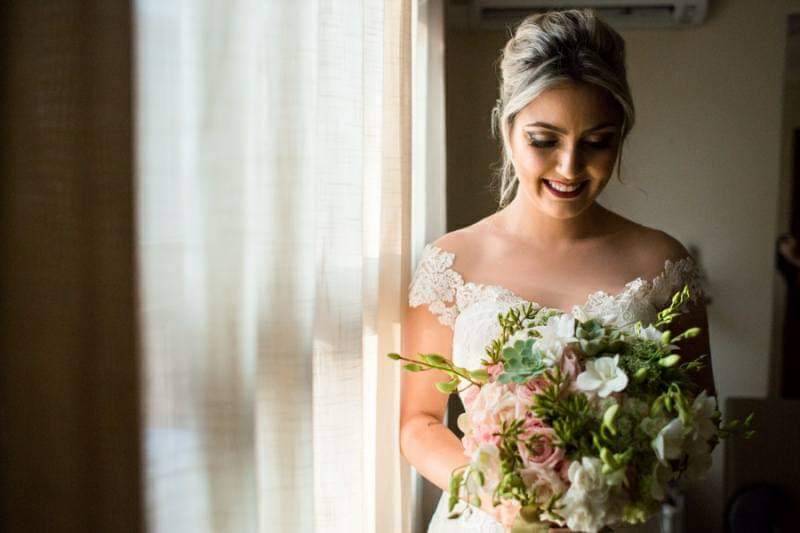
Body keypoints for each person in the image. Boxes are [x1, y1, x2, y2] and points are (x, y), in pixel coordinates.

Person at [399, 9, 716, 533]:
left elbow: (698, 423)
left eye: (597, 142)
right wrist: (502, 495)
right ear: (508, 129)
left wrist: (612, 475)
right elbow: (419, 424)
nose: (570, 167)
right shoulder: (451, 262)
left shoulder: (662, 263)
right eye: (544, 140)